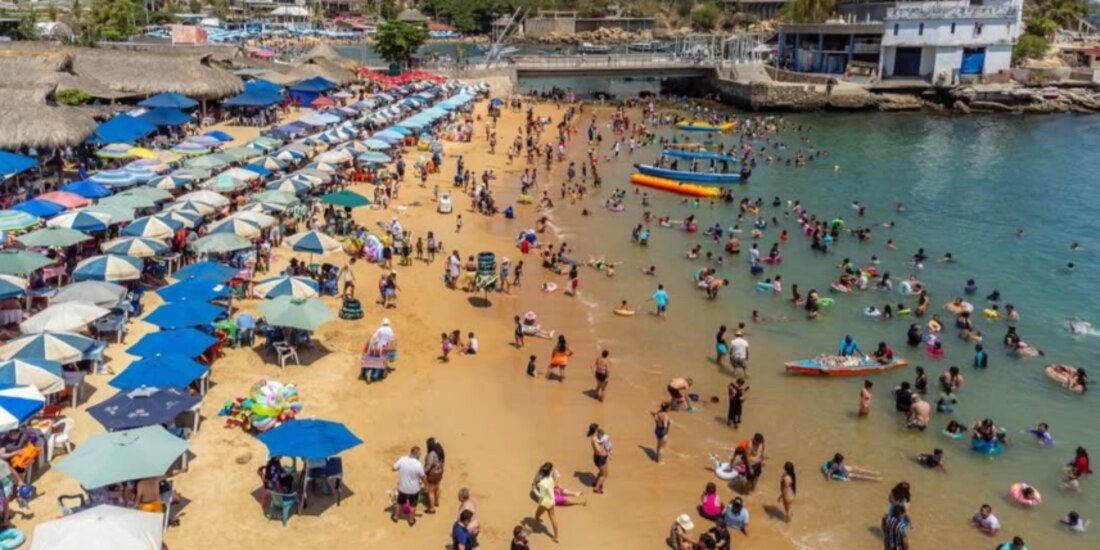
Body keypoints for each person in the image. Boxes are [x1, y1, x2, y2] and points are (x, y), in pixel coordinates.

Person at [392, 446, 426, 525]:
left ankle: (396, 517)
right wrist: (426, 485)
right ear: (417, 454)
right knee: (413, 505)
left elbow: (394, 468)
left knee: (399, 503)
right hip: (414, 490)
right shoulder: (418, 464)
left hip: (403, 488)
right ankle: (411, 520)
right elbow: (423, 477)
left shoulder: (402, 459)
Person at [531, 462, 559, 542]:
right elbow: (552, 471)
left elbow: (541, 495)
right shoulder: (551, 478)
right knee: (553, 518)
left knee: (536, 515)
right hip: (552, 500)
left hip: (544, 502)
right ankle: (556, 536)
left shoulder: (542, 483)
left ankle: (533, 529)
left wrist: (535, 491)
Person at [423, 438, 445, 514]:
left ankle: (432, 509)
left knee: (430, 491)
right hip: (439, 472)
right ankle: (436, 502)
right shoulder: (440, 450)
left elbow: (428, 466)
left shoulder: (431, 454)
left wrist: (422, 472)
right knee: (437, 487)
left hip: (433, 474)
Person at [588, 424, 611, 494]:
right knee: (604, 475)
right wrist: (604, 443)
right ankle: (596, 488)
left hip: (601, 457)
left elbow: (602, 433)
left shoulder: (596, 436)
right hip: (601, 458)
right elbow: (599, 451)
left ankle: (595, 483)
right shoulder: (594, 439)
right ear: (595, 430)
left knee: (602, 472)